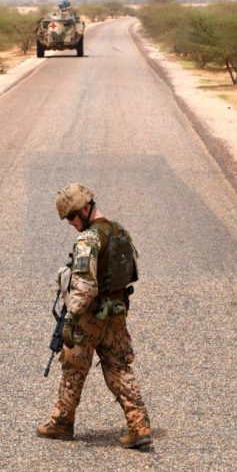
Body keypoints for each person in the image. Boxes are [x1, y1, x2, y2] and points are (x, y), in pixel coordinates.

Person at [37, 183, 152, 449]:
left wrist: (70, 319)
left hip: (89, 315)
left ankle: (62, 423)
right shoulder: (120, 231)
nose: (70, 223)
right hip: (116, 312)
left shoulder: (88, 240)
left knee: (73, 366)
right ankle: (139, 426)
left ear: (85, 209)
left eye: (71, 216)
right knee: (118, 367)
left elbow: (85, 286)